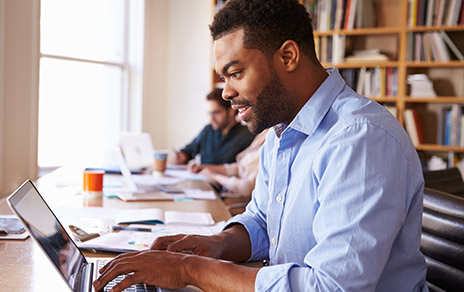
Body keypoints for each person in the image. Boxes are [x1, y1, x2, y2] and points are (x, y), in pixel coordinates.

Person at [94, 0, 428, 291]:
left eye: (235, 73)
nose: (225, 92)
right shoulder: (281, 129)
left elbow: (332, 286)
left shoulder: (360, 139)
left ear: (288, 56)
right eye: (222, 78)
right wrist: (217, 245)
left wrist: (189, 269)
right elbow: (264, 221)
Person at [171, 88, 255, 165]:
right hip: (203, 180)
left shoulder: (247, 135)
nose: (211, 119)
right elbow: (189, 150)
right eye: (210, 114)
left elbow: (242, 170)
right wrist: (182, 156)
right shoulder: (208, 130)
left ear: (231, 111)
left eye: (216, 113)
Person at [189, 128, 268, 200]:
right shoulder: (263, 134)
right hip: (231, 196)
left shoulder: (269, 140)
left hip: (240, 202)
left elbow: (246, 188)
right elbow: (239, 168)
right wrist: (205, 167)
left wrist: (214, 176)